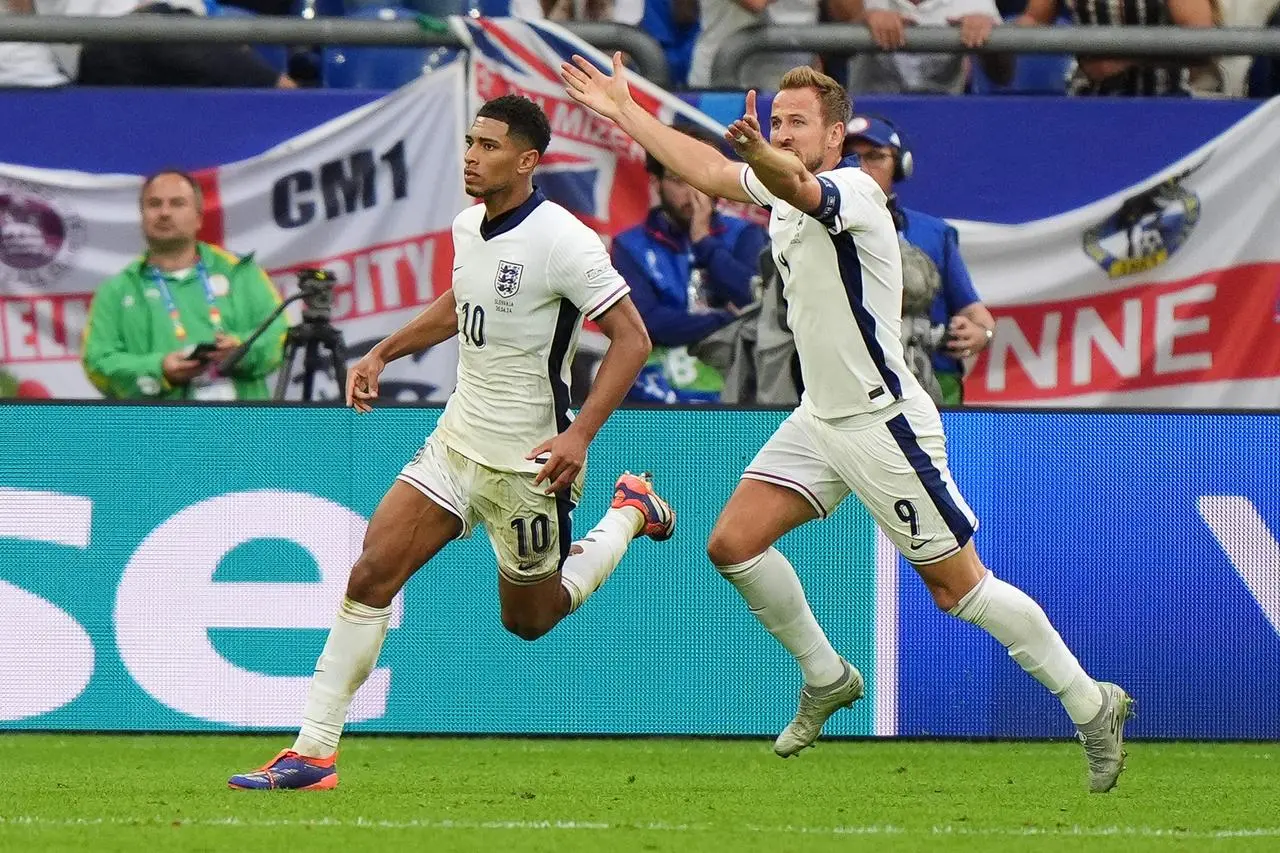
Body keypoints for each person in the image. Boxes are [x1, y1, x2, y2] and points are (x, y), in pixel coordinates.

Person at [562, 56, 1133, 793]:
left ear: (835, 137)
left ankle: (1092, 705)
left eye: (798, 122)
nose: (783, 132)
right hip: (819, 416)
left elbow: (794, 182)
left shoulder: (854, 190)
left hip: (881, 421)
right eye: (776, 121)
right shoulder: (777, 188)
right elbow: (706, 169)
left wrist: (760, 154)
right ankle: (827, 675)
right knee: (732, 543)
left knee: (960, 589)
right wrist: (626, 111)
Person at [228, 94, 675, 791]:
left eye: (489, 145)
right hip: (456, 444)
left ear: (528, 161)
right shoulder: (469, 227)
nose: (471, 155)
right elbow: (459, 301)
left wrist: (580, 435)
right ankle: (312, 752)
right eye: (469, 141)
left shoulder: (564, 239)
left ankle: (628, 510)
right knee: (371, 573)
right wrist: (385, 350)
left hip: (530, 466)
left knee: (532, 618)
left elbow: (633, 338)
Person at [81, 170, 288, 401]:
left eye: (178, 203)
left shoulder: (241, 273)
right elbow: (97, 362)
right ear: (142, 217)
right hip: (158, 434)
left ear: (199, 218)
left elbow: (279, 337)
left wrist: (241, 350)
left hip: (241, 432)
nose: (165, 213)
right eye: (154, 204)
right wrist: (160, 369)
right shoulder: (115, 291)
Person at [844, 116, 996, 406]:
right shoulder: (815, 229)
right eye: (850, 158)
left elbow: (979, 318)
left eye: (875, 157)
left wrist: (980, 334)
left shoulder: (934, 233)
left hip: (930, 381)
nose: (862, 168)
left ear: (901, 166)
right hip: (850, 385)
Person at [612, 126, 768, 403]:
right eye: (678, 179)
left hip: (735, 400)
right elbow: (645, 324)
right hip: (652, 399)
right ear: (655, 182)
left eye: (702, 177)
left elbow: (756, 302)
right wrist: (726, 318)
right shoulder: (629, 246)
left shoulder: (747, 235)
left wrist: (704, 243)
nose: (693, 191)